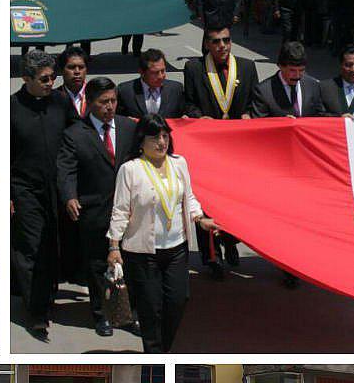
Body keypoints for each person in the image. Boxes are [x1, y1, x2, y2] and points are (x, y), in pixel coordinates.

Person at [106, 115, 220, 353]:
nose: (161, 142)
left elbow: (188, 198)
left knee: (178, 300)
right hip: (143, 252)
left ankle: (164, 348)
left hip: (176, 248)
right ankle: (154, 352)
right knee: (150, 307)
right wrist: (114, 246)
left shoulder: (179, 163)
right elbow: (120, 210)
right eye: (154, 137)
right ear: (141, 141)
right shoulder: (131, 169)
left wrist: (200, 218)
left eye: (165, 136)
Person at [56, 76, 138, 337]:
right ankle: (101, 314)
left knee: (131, 262)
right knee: (96, 265)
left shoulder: (127, 127)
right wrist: (69, 196)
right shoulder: (74, 134)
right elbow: (66, 169)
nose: (110, 107)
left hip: (128, 211)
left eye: (113, 101)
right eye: (103, 102)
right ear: (90, 103)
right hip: (94, 211)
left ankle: (127, 311)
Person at [181, 23, 252, 274]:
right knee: (207, 203)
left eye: (226, 40)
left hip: (236, 150)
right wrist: (198, 117)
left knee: (235, 200)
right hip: (207, 148)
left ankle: (231, 241)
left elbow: (253, 102)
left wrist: (247, 114)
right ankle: (212, 256)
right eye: (216, 41)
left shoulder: (246, 66)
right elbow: (188, 103)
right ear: (207, 45)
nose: (222, 46)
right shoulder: (194, 68)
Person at [10, 51, 69, 340]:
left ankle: (46, 298)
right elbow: (3, 153)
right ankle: (36, 313)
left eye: (52, 78)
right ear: (26, 79)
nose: (50, 83)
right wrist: (7, 192)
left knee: (53, 248)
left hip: (58, 189)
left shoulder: (60, 102)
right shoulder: (12, 108)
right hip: (25, 189)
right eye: (44, 79)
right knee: (31, 249)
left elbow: (75, 138)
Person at [250, 41, 326, 118]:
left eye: (301, 70)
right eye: (292, 70)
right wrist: (282, 123)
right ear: (280, 66)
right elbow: (259, 124)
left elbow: (320, 116)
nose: (297, 75)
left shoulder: (313, 85)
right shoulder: (264, 91)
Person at [116, 48, 185, 119]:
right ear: (142, 72)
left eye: (163, 71)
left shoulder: (176, 89)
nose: (160, 76)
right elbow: (117, 119)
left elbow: (183, 115)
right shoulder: (125, 91)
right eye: (155, 73)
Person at [54, 46, 90, 120]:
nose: (77, 72)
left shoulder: (96, 94)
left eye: (81, 67)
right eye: (71, 67)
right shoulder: (54, 98)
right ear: (61, 70)